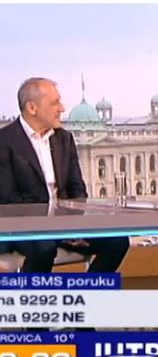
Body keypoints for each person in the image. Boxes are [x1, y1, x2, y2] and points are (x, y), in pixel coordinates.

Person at [0, 77, 129, 273]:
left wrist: (71, 225)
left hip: (62, 225)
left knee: (118, 241)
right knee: (45, 248)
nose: (62, 108)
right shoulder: (4, 141)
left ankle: (86, 289)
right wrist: (53, 228)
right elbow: (9, 201)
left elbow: (78, 191)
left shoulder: (64, 138)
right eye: (55, 103)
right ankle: (33, 292)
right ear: (32, 108)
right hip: (22, 227)